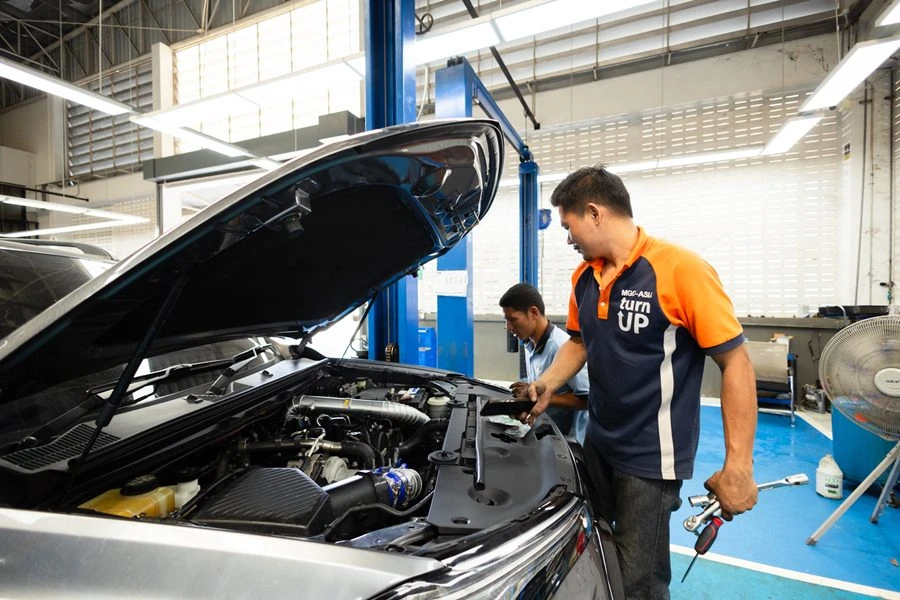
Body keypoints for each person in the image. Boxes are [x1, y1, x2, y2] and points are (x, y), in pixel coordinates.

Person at [524, 166, 758, 600]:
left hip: (651, 458)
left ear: (594, 213)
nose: (568, 238)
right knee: (592, 550)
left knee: (639, 582)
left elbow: (736, 363)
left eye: (569, 226)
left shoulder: (681, 270)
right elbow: (579, 342)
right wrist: (547, 383)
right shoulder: (584, 277)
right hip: (599, 443)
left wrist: (739, 467)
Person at [499, 283, 589, 443]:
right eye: (506, 320)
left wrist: (541, 398)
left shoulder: (560, 347)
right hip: (546, 433)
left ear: (534, 313)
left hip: (569, 442)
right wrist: (529, 387)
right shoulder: (529, 343)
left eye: (512, 320)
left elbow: (586, 399)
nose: (508, 327)